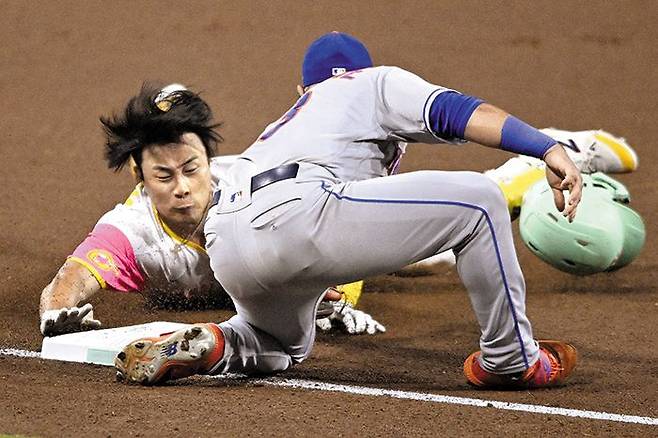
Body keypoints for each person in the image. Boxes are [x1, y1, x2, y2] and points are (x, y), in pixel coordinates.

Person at [115, 31, 593, 389]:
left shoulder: (289, 123)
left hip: (229, 238)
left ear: (303, 87)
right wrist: (546, 148)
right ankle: (511, 361)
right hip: (301, 213)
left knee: (277, 343)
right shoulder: (370, 82)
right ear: (356, 71)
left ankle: (217, 344)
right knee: (480, 202)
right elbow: (458, 112)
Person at [39, 84, 384, 338]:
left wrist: (338, 296)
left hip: (260, 262)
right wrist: (58, 312)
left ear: (209, 161)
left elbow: (334, 212)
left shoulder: (250, 186)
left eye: (192, 169)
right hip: (233, 278)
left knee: (391, 248)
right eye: (163, 175)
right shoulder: (130, 231)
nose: (183, 187)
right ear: (140, 178)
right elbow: (70, 279)